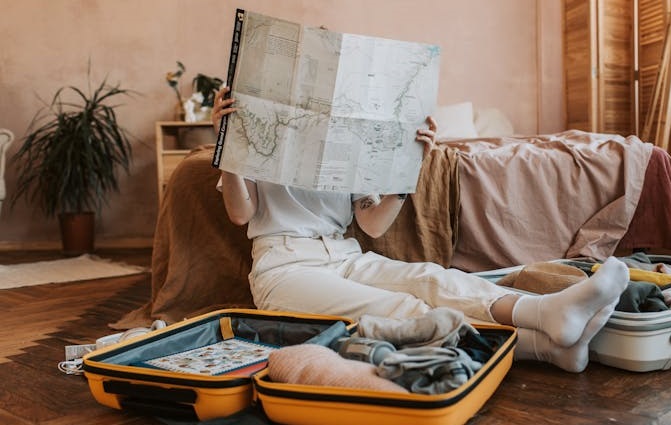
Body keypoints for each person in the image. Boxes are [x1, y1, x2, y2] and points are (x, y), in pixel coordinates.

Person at [212, 87, 630, 373]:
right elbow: (239, 214)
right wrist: (227, 145)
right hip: (285, 268)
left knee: (432, 278)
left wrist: (408, 167)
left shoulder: (348, 140)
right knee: (400, 309)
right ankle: (542, 347)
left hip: (345, 255)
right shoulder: (255, 133)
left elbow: (371, 223)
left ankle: (548, 314)